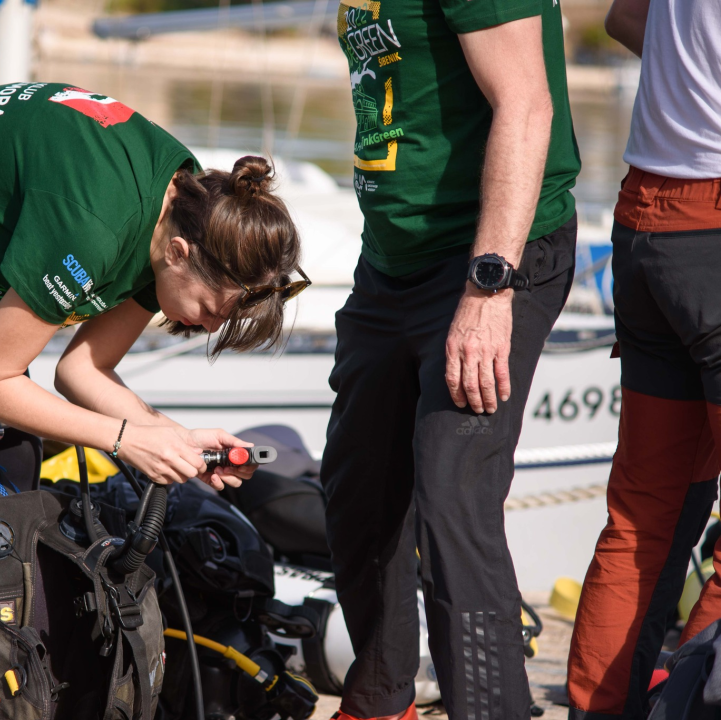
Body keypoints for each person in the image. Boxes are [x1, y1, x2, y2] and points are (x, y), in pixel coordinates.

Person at [0, 82, 308, 641]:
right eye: (213, 310)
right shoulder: (99, 228)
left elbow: (82, 370)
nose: (211, 326)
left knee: (16, 455)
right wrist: (125, 440)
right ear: (180, 255)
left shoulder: (186, 214)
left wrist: (176, 439)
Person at [323, 2, 580, 719]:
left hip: (488, 256)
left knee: (451, 495)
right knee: (358, 492)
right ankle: (377, 703)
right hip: (390, 263)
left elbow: (527, 103)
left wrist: (487, 285)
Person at [566, 1, 721, 718]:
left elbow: (625, 17)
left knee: (640, 520)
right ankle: (692, 701)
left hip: (644, 221)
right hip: (712, 229)